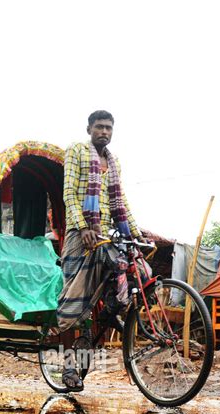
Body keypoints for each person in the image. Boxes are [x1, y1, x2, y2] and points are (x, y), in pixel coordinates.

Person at [56, 110, 147, 389]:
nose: (104, 132)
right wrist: (83, 226)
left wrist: (137, 233)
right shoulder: (77, 152)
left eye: (108, 128)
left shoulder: (114, 161)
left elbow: (120, 202)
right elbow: (69, 193)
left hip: (106, 235)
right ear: (89, 129)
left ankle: (104, 318)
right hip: (80, 235)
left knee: (132, 277)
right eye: (99, 127)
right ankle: (69, 368)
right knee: (74, 301)